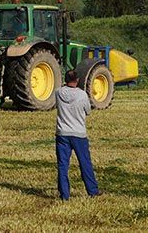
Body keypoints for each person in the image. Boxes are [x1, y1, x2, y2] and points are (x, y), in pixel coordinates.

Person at [54, 69, 99, 200]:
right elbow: (88, 111)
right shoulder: (82, 95)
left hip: (62, 133)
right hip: (79, 133)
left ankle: (64, 194)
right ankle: (92, 190)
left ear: (65, 80)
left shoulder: (58, 92)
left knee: (62, 165)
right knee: (85, 163)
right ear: (77, 80)